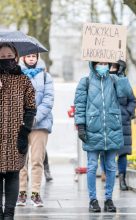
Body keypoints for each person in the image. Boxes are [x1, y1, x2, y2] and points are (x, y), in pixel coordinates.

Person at [74, 61, 132, 213]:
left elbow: (126, 93)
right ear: (93, 64)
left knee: (111, 166)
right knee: (92, 165)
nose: (103, 65)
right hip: (93, 129)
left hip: (111, 129)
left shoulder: (114, 80)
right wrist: (80, 126)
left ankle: (108, 199)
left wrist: (121, 73)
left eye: (105, 63)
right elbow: (79, 105)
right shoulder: (85, 81)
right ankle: (93, 200)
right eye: (99, 63)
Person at [0, 43, 36, 219]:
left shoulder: (24, 80)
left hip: (16, 135)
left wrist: (25, 130)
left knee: (13, 174)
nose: (6, 59)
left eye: (9, 56)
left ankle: (9, 214)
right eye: (2, 56)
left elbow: (31, 107)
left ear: (15, 57)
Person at [16, 54, 54, 207]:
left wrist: (35, 118)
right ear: (23, 58)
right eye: (28, 56)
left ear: (38, 57)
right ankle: (22, 192)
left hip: (40, 123)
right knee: (20, 161)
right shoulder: (16, 75)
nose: (31, 59)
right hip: (20, 124)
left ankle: (36, 193)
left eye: (34, 56)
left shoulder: (46, 76)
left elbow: (48, 99)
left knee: (37, 160)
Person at [100, 61, 136, 190]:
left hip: (122, 122)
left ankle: (122, 179)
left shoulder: (123, 81)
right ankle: (105, 173)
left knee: (122, 153)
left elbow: (132, 100)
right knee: (105, 151)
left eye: (115, 67)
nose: (112, 69)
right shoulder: (100, 81)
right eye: (110, 66)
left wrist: (127, 113)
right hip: (106, 121)